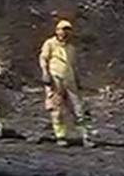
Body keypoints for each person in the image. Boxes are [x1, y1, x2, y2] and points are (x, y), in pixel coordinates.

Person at [39, 19, 91, 147]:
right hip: (55, 79)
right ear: (57, 31)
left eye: (67, 30)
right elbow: (43, 59)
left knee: (79, 108)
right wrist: (45, 73)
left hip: (70, 80)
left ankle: (86, 137)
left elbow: (72, 65)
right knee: (57, 108)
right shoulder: (50, 44)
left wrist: (77, 80)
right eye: (62, 30)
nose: (64, 33)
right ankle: (60, 136)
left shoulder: (71, 48)